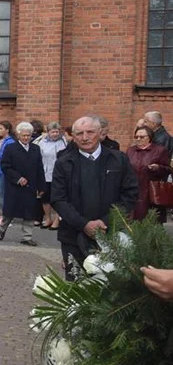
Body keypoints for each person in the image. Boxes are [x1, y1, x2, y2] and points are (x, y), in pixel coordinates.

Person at [51, 115, 138, 281]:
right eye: (79, 133)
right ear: (73, 137)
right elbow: (58, 199)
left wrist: (105, 221)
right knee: (77, 286)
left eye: (90, 132)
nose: (85, 137)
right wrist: (84, 224)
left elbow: (130, 194)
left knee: (112, 287)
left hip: (112, 235)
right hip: (73, 237)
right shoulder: (63, 163)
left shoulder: (118, 160)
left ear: (100, 133)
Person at [0, 122, 45, 246]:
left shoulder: (35, 148)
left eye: (28, 135)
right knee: (10, 211)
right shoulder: (10, 148)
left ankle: (27, 237)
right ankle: (2, 228)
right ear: (18, 135)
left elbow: (40, 168)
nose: (26, 138)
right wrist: (17, 178)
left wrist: (41, 186)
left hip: (31, 185)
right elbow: (5, 166)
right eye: (23, 135)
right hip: (14, 186)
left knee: (29, 212)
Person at [126, 125, 171, 222]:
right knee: (133, 220)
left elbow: (168, 169)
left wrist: (158, 168)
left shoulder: (160, 150)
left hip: (151, 191)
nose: (138, 139)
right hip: (134, 190)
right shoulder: (130, 151)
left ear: (149, 137)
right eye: (136, 137)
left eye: (142, 137)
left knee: (151, 221)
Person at [37, 122, 67, 228]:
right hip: (46, 174)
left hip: (58, 175)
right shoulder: (42, 142)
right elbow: (38, 157)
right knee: (45, 198)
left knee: (57, 198)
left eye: (57, 132)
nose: (55, 134)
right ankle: (48, 218)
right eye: (52, 132)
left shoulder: (63, 142)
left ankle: (56, 220)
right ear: (48, 132)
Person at [0, 120, 15, 227]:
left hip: (4, 171)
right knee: (1, 193)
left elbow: (8, 157)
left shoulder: (10, 142)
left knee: (3, 195)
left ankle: (6, 218)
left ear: (7, 130)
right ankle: (4, 215)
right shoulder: (3, 140)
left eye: (1, 128)